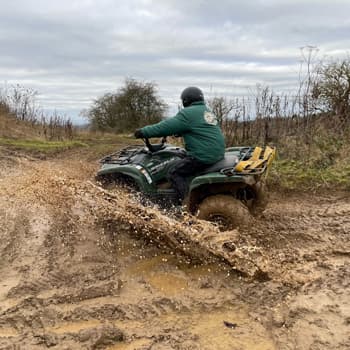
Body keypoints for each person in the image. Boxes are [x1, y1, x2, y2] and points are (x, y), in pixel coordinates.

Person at [134, 86, 225, 202]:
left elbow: (164, 127)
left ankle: (186, 203)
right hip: (216, 153)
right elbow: (201, 129)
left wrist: (143, 132)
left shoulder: (187, 113)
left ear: (185, 101)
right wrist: (180, 132)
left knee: (174, 173)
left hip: (202, 156)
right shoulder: (207, 111)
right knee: (181, 158)